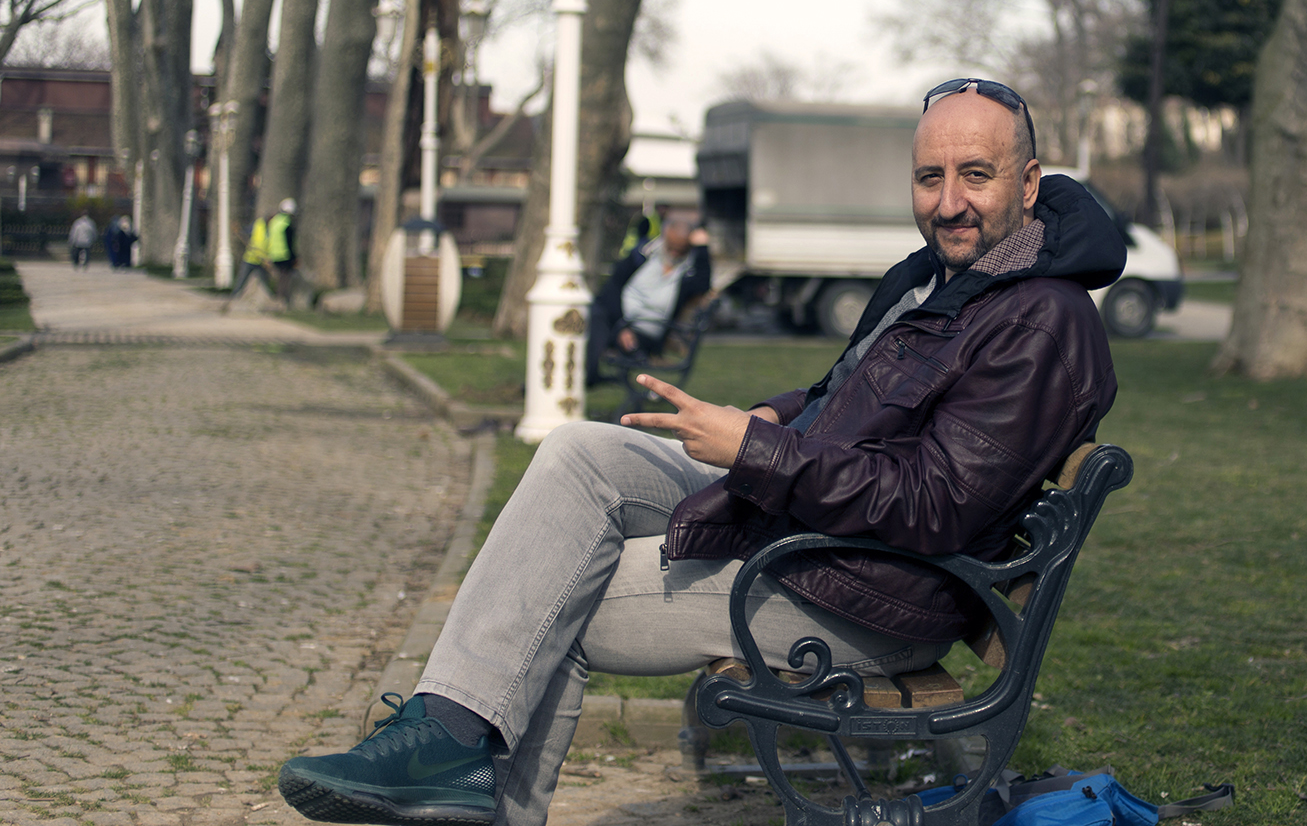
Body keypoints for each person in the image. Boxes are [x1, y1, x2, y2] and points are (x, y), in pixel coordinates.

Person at [277, 79, 1127, 826]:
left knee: (547, 602)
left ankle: (455, 756)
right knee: (579, 451)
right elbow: (854, 394)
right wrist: (770, 417)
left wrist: (759, 452)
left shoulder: (1040, 321)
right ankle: (447, 736)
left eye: (975, 175)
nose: (948, 202)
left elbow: (932, 506)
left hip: (867, 594)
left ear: (1028, 184)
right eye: (929, 177)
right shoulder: (948, 278)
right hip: (818, 535)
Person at [586, 208, 712, 386]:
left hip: (647, 334)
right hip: (618, 323)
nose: (674, 253)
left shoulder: (689, 270)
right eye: (672, 247)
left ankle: (591, 377)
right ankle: (590, 375)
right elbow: (612, 288)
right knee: (595, 311)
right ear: (665, 236)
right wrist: (622, 327)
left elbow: (703, 285)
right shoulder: (644, 254)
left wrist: (703, 248)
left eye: (681, 249)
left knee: (601, 326)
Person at [230, 199, 297, 303]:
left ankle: (271, 300)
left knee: (265, 283)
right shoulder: (258, 224)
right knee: (241, 280)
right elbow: (246, 231)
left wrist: (268, 259)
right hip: (250, 258)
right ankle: (233, 298)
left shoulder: (273, 229)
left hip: (262, 261)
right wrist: (239, 229)